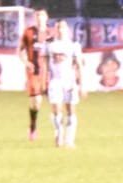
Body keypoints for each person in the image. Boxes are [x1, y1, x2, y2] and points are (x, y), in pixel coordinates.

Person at [47, 20, 85, 148]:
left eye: (62, 27)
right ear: (55, 30)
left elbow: (79, 65)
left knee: (71, 111)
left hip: (70, 82)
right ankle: (58, 135)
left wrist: (82, 85)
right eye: (58, 27)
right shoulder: (50, 45)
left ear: (67, 29)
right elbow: (44, 64)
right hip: (55, 81)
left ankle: (69, 140)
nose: (60, 30)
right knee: (56, 110)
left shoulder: (74, 45)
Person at [19, 7, 50, 141]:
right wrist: (26, 62)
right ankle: (33, 126)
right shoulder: (28, 32)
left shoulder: (51, 33)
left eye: (42, 15)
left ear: (46, 17)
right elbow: (20, 50)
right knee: (36, 101)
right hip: (34, 72)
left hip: (49, 71)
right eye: (37, 16)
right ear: (34, 18)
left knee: (55, 100)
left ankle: (59, 132)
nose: (40, 18)